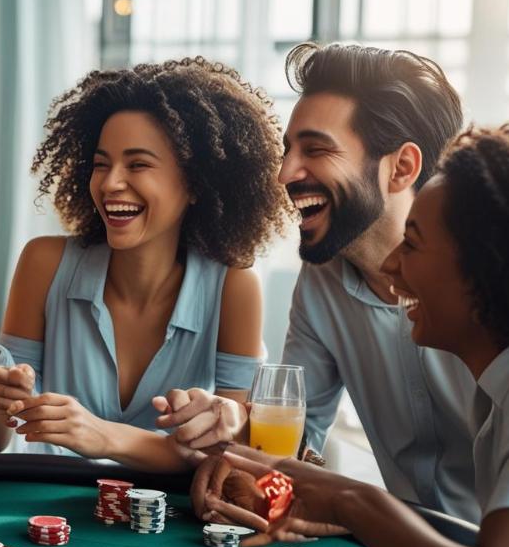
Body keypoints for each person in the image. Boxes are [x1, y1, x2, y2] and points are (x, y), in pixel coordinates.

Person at [201, 115, 509, 547]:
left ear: (487, 269)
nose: (390, 270)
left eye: (411, 244)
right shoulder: (504, 389)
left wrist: (354, 500)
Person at [167, 43, 480, 521]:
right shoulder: (321, 280)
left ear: (401, 168)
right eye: (288, 150)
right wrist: (240, 461)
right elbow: (293, 442)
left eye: (316, 149)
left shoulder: (492, 280)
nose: (284, 173)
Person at [0, 58, 290, 472]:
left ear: (194, 184)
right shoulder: (43, 263)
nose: (111, 182)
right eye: (101, 164)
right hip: (44, 507)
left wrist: (103, 436)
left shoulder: (233, 286)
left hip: (168, 521)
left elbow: (237, 458)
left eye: (137, 164)